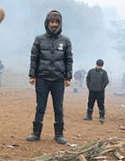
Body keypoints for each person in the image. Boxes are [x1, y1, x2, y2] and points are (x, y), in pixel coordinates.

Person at [26, 10, 73, 145]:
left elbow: (68, 60)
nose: (54, 24)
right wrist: (32, 75)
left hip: (58, 79)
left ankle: (59, 135)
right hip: (42, 78)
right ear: (47, 23)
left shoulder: (66, 40)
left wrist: (67, 77)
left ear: (60, 24)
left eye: (56, 22)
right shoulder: (39, 39)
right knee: (40, 107)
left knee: (58, 108)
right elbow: (34, 58)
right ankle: (36, 133)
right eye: (51, 22)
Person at [83, 59, 109, 123]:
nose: (99, 66)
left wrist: (101, 88)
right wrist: (89, 86)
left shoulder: (104, 72)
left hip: (100, 92)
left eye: (100, 66)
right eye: (98, 65)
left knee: (101, 104)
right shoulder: (91, 71)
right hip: (92, 91)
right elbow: (87, 79)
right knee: (90, 103)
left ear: (102, 66)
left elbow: (106, 81)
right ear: (96, 64)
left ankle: (102, 117)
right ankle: (89, 116)